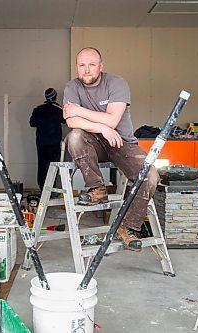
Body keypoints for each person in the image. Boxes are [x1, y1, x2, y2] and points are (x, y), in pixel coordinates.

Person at [62, 47, 160, 251]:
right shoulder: (72, 86)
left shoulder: (116, 83)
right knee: (75, 137)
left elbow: (113, 119)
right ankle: (97, 188)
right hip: (93, 143)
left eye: (91, 65)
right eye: (82, 65)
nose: (86, 70)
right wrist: (102, 129)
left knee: (150, 175)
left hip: (122, 142)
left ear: (101, 66)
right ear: (77, 67)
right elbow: (71, 122)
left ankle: (128, 227)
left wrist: (80, 111)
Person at [30, 88, 65, 191]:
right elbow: (66, 121)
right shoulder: (58, 109)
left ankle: (42, 187)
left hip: (41, 142)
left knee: (41, 163)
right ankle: (51, 188)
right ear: (55, 97)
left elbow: (32, 123)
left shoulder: (38, 109)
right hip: (54, 142)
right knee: (53, 165)